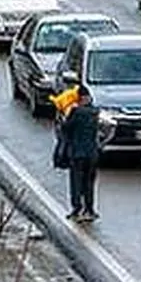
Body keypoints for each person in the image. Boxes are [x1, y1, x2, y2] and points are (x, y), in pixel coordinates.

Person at [58, 85, 101, 221]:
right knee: (89, 182)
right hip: (92, 153)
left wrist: (64, 116)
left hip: (77, 153)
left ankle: (77, 209)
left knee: (76, 181)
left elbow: (65, 129)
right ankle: (89, 209)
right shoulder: (95, 112)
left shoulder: (76, 112)